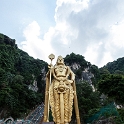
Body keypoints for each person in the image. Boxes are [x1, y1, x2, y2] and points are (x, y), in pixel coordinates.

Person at [43, 55, 80, 124]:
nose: (60, 60)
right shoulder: (54, 67)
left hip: (66, 83)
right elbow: (48, 76)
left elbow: (73, 75)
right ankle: (58, 121)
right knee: (56, 102)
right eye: (58, 59)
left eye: (61, 59)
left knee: (67, 103)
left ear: (63, 60)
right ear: (57, 60)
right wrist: (50, 70)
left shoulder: (67, 68)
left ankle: (66, 120)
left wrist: (71, 80)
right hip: (56, 83)